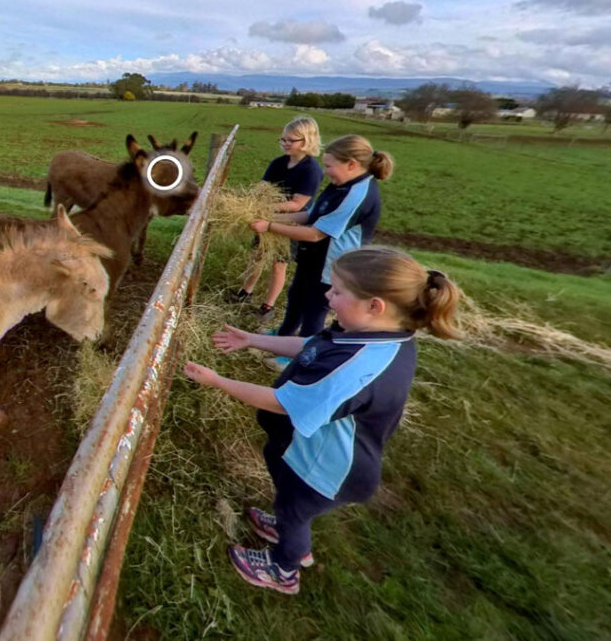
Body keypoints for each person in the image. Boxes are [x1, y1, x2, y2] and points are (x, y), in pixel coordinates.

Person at [183, 247, 462, 594]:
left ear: (375, 305)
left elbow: (282, 404)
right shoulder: (373, 333)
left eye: (338, 291)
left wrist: (217, 381)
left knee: (293, 508)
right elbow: (311, 346)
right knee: (286, 491)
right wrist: (252, 340)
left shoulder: (356, 365)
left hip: (327, 470)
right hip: (310, 453)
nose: (328, 295)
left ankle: (285, 568)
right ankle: (290, 531)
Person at [250, 134, 392, 341]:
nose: (325, 172)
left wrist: (270, 226)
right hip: (314, 256)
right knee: (297, 295)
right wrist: (270, 216)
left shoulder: (356, 194)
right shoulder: (340, 183)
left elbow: (315, 234)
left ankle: (305, 349)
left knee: (314, 307)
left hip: (332, 264)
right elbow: (310, 215)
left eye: (329, 166)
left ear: (351, 164)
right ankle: (284, 335)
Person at [229, 117, 323, 324]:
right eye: (283, 140)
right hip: (265, 217)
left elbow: (297, 204)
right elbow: (262, 186)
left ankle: (268, 306)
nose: (286, 144)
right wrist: (249, 200)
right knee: (257, 255)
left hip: (290, 223)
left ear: (307, 140)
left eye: (292, 140)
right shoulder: (279, 163)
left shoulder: (311, 170)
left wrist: (266, 209)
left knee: (278, 264)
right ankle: (246, 292)